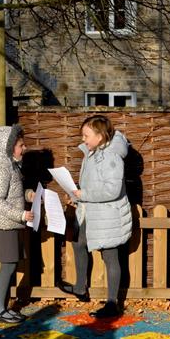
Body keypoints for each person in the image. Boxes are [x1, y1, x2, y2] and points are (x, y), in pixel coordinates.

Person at [58, 114, 132, 318]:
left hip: (108, 216)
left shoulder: (111, 156)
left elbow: (112, 190)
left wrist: (84, 195)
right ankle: (81, 288)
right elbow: (94, 185)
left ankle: (112, 304)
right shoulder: (92, 153)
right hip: (92, 212)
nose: (83, 139)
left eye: (86, 135)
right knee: (78, 242)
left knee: (110, 256)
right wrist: (78, 197)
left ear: (99, 136)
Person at [0, 123, 34, 324]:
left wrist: (29, 195)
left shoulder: (10, 165)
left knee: (10, 265)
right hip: (3, 224)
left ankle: (2, 308)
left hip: (10, 223)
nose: (24, 148)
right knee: (8, 266)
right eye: (21, 145)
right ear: (7, 146)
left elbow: (12, 193)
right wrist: (21, 215)